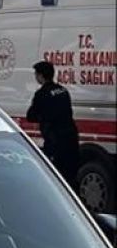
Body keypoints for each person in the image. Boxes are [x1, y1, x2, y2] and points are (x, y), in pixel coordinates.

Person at [27, 60, 81, 188]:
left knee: (55, 179)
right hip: (71, 139)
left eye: (36, 74)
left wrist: (41, 117)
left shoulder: (42, 94)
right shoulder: (63, 90)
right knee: (71, 177)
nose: (36, 77)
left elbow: (31, 116)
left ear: (40, 76)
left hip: (55, 142)